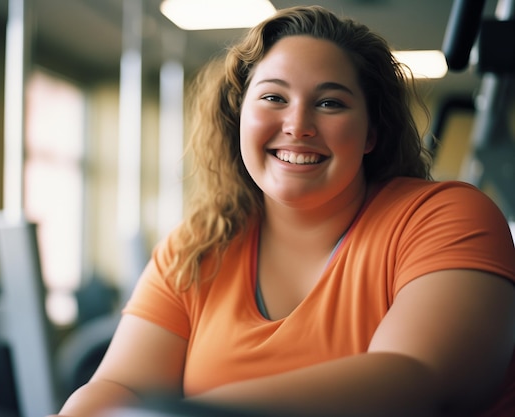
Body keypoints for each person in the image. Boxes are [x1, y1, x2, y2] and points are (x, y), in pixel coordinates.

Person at [53, 5, 515, 417]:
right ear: (240, 117)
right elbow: (120, 385)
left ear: (371, 133)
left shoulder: (444, 217)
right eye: (274, 97)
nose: (297, 125)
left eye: (330, 103)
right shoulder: (194, 248)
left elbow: (417, 381)